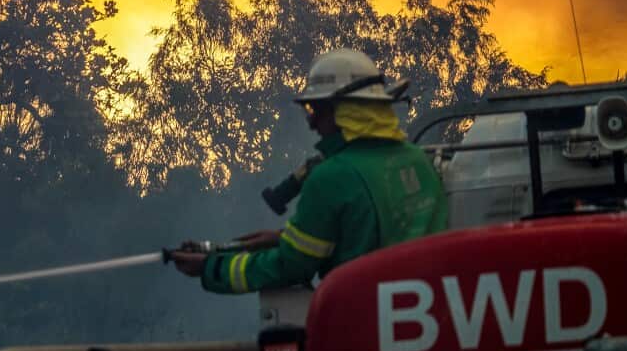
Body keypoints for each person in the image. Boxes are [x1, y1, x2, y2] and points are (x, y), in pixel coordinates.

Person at [170, 49, 447, 294]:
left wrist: (211, 267)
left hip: (364, 320)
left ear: (345, 111)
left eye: (317, 110)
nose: (312, 123)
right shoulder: (418, 159)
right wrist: (283, 238)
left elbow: (291, 267)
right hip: (429, 317)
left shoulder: (332, 176)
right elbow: (374, 233)